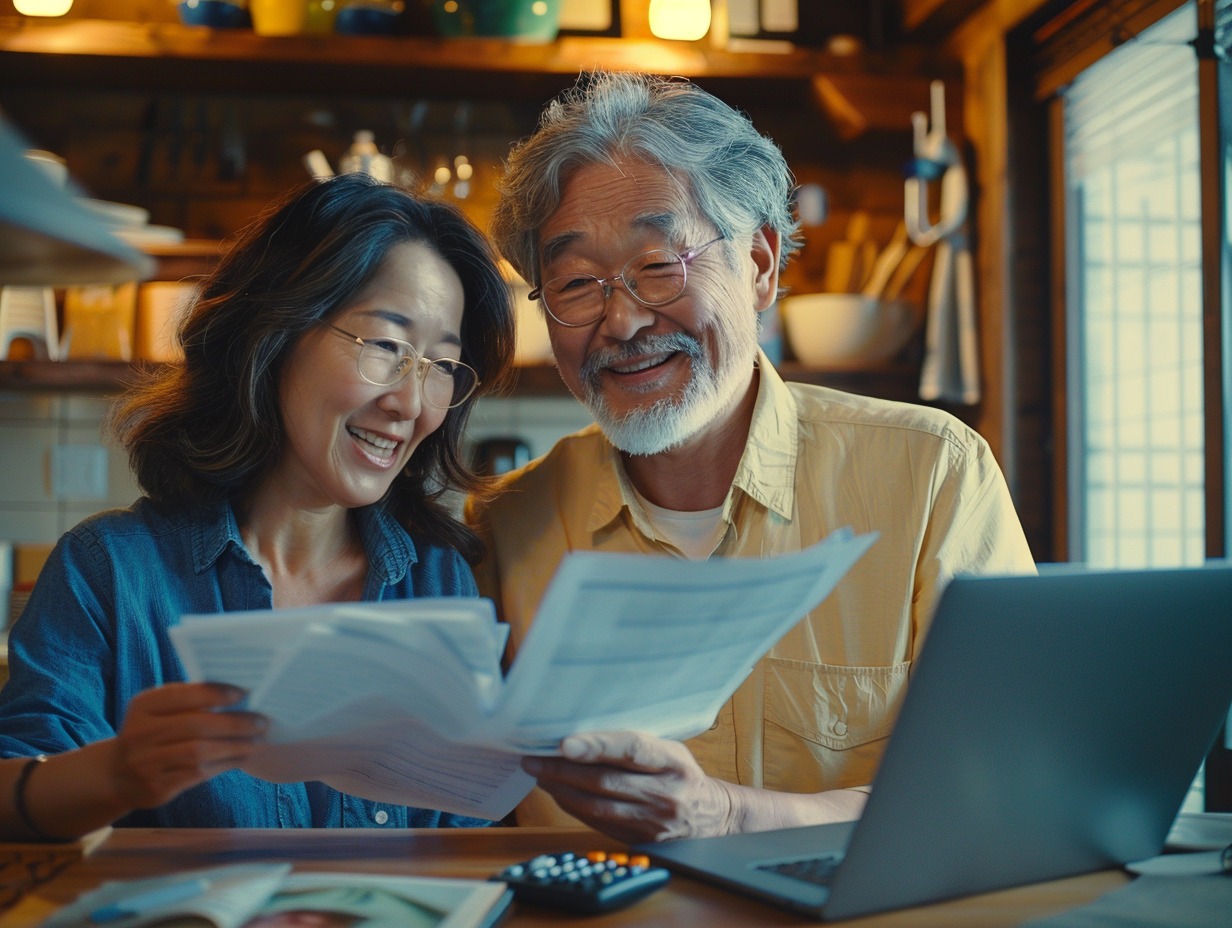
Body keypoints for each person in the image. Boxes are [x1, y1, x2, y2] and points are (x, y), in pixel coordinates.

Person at [464, 71, 1036, 844]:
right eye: (574, 283)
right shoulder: (506, 525)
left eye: (659, 264)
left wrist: (728, 815)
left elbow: (1006, 781)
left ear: (761, 264)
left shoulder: (932, 474)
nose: (623, 319)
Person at [0, 173, 515, 840]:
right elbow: (13, 798)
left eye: (442, 365)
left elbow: (467, 837)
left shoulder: (437, 580)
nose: (412, 404)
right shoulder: (110, 572)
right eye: (387, 346)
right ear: (273, 334)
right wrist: (119, 772)